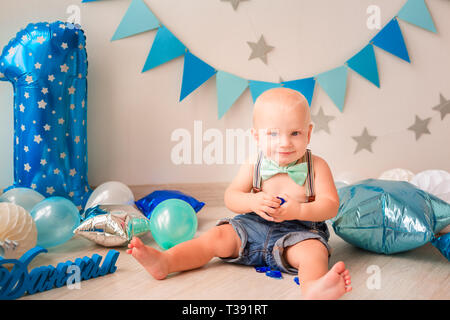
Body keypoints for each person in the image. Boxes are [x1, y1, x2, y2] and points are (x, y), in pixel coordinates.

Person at [127, 87, 352, 299]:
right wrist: (252, 201)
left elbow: (331, 204)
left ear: (309, 133)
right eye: (273, 134)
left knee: (314, 252)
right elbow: (231, 197)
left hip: (298, 234)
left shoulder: (317, 166)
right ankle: (166, 261)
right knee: (216, 237)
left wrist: (301, 209)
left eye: (295, 133)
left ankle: (312, 288)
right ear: (257, 136)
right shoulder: (254, 163)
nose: (284, 143)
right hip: (252, 227)